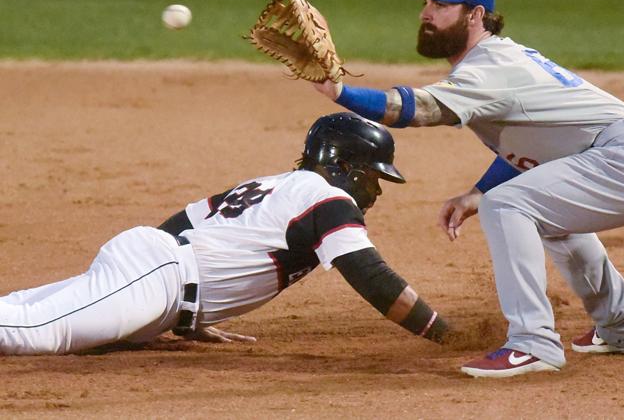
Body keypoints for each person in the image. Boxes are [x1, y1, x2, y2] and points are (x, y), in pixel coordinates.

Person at [309, 0, 624, 378]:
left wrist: (338, 91)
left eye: (441, 5)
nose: (426, 14)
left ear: (475, 15)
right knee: (545, 213)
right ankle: (623, 326)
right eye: (425, 3)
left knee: (507, 206)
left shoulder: (490, 67)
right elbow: (529, 145)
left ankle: (533, 343)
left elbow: (414, 110)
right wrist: (477, 191)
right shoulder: (495, 60)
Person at [0, 113, 448, 355]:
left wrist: (183, 314)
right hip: (159, 278)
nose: (375, 189)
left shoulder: (279, 185)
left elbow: (180, 225)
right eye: (373, 176)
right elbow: (369, 275)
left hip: (157, 274)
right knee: (36, 331)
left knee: (23, 309)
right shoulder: (327, 199)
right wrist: (447, 336)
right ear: (344, 167)